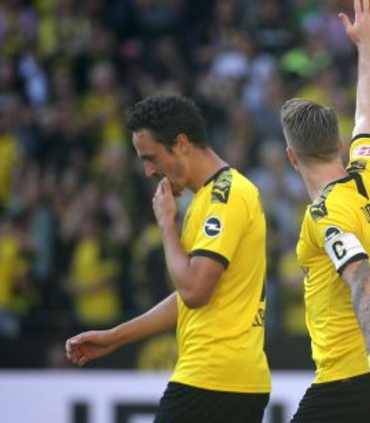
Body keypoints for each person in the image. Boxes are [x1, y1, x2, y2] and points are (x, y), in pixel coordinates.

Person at [65, 95, 270, 423]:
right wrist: (115, 336)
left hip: (211, 378)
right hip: (229, 379)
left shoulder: (225, 197)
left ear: (181, 144)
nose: (148, 171)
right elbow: (187, 298)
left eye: (151, 158)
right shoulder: (209, 197)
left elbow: (194, 292)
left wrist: (165, 225)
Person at [280, 1, 370, 421]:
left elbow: (364, 281)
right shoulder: (368, 174)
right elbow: (368, 115)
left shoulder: (326, 215)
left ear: (291, 157)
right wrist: (368, 47)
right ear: (339, 144)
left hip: (352, 384)